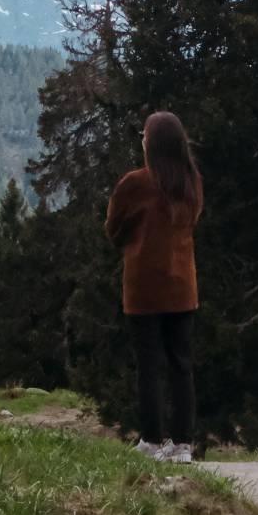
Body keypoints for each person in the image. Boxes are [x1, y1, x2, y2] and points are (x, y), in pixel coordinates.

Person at [105, 110, 203, 463]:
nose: (142, 141)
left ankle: (151, 438)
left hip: (144, 288)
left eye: (144, 136)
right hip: (182, 287)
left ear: (152, 144)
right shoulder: (190, 181)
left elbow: (113, 229)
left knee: (149, 365)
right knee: (181, 365)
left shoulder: (135, 183)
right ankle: (183, 444)